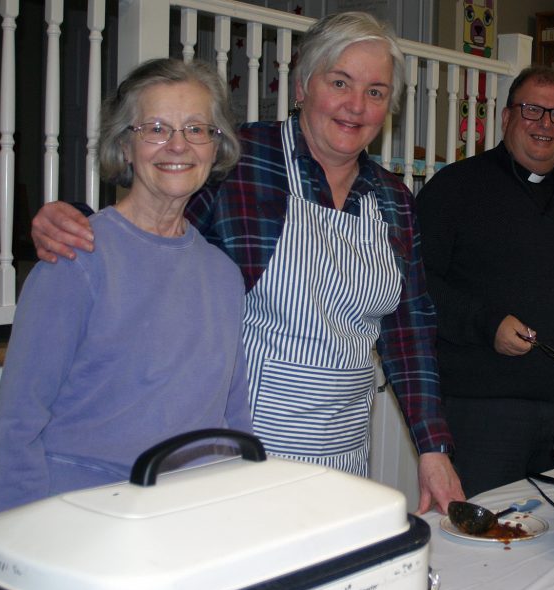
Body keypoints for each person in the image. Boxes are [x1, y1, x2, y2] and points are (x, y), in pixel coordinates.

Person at [29, 12, 464, 514]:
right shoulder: (240, 160)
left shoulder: (392, 199)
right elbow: (152, 224)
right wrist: (78, 224)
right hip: (239, 451)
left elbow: (408, 330)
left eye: (375, 91)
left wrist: (433, 447)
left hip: (344, 454)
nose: (355, 106)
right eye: (339, 82)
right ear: (303, 86)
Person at [0, 58, 250, 513]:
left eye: (195, 129)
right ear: (125, 146)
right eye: (156, 127)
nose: (178, 145)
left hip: (191, 514)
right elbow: (19, 423)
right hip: (85, 515)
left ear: (215, 146)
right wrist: (18, 540)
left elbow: (234, 415)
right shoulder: (75, 256)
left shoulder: (222, 274)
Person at [415, 66, 554, 498]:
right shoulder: (454, 189)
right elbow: (416, 285)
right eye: (532, 110)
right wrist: (487, 324)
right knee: (484, 545)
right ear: (506, 118)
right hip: (484, 414)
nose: (546, 124)